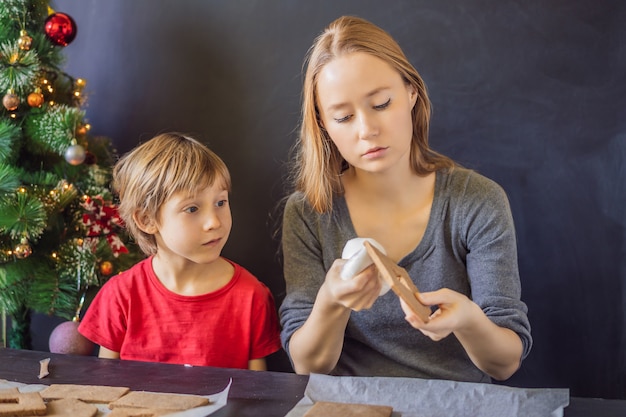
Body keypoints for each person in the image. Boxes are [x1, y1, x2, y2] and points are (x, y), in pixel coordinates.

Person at [279, 16, 532, 383]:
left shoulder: (476, 201)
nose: (367, 130)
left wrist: (468, 320)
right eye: (344, 117)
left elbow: (505, 363)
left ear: (411, 93)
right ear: (323, 125)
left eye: (381, 104)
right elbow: (308, 365)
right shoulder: (308, 213)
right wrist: (331, 303)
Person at [79, 133, 281, 370]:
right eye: (192, 208)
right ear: (146, 220)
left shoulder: (251, 296)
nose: (214, 222)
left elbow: (258, 392)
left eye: (220, 203)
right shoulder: (121, 295)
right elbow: (106, 384)